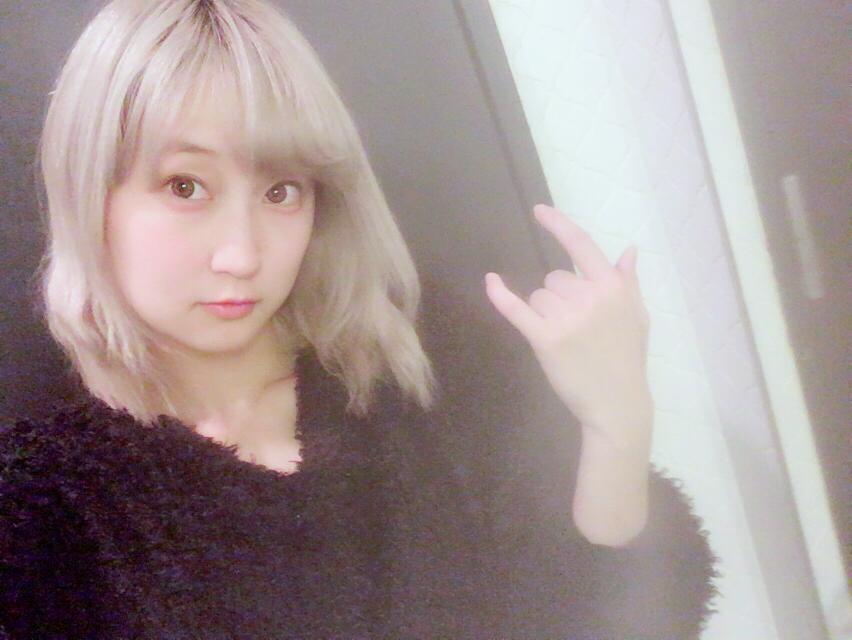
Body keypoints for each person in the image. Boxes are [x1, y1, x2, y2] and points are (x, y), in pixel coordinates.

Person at [0, 0, 721, 637]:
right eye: (186, 186)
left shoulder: (425, 387)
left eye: (282, 190)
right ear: (91, 193)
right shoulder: (44, 511)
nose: (242, 255)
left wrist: (617, 428)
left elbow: (607, 615)